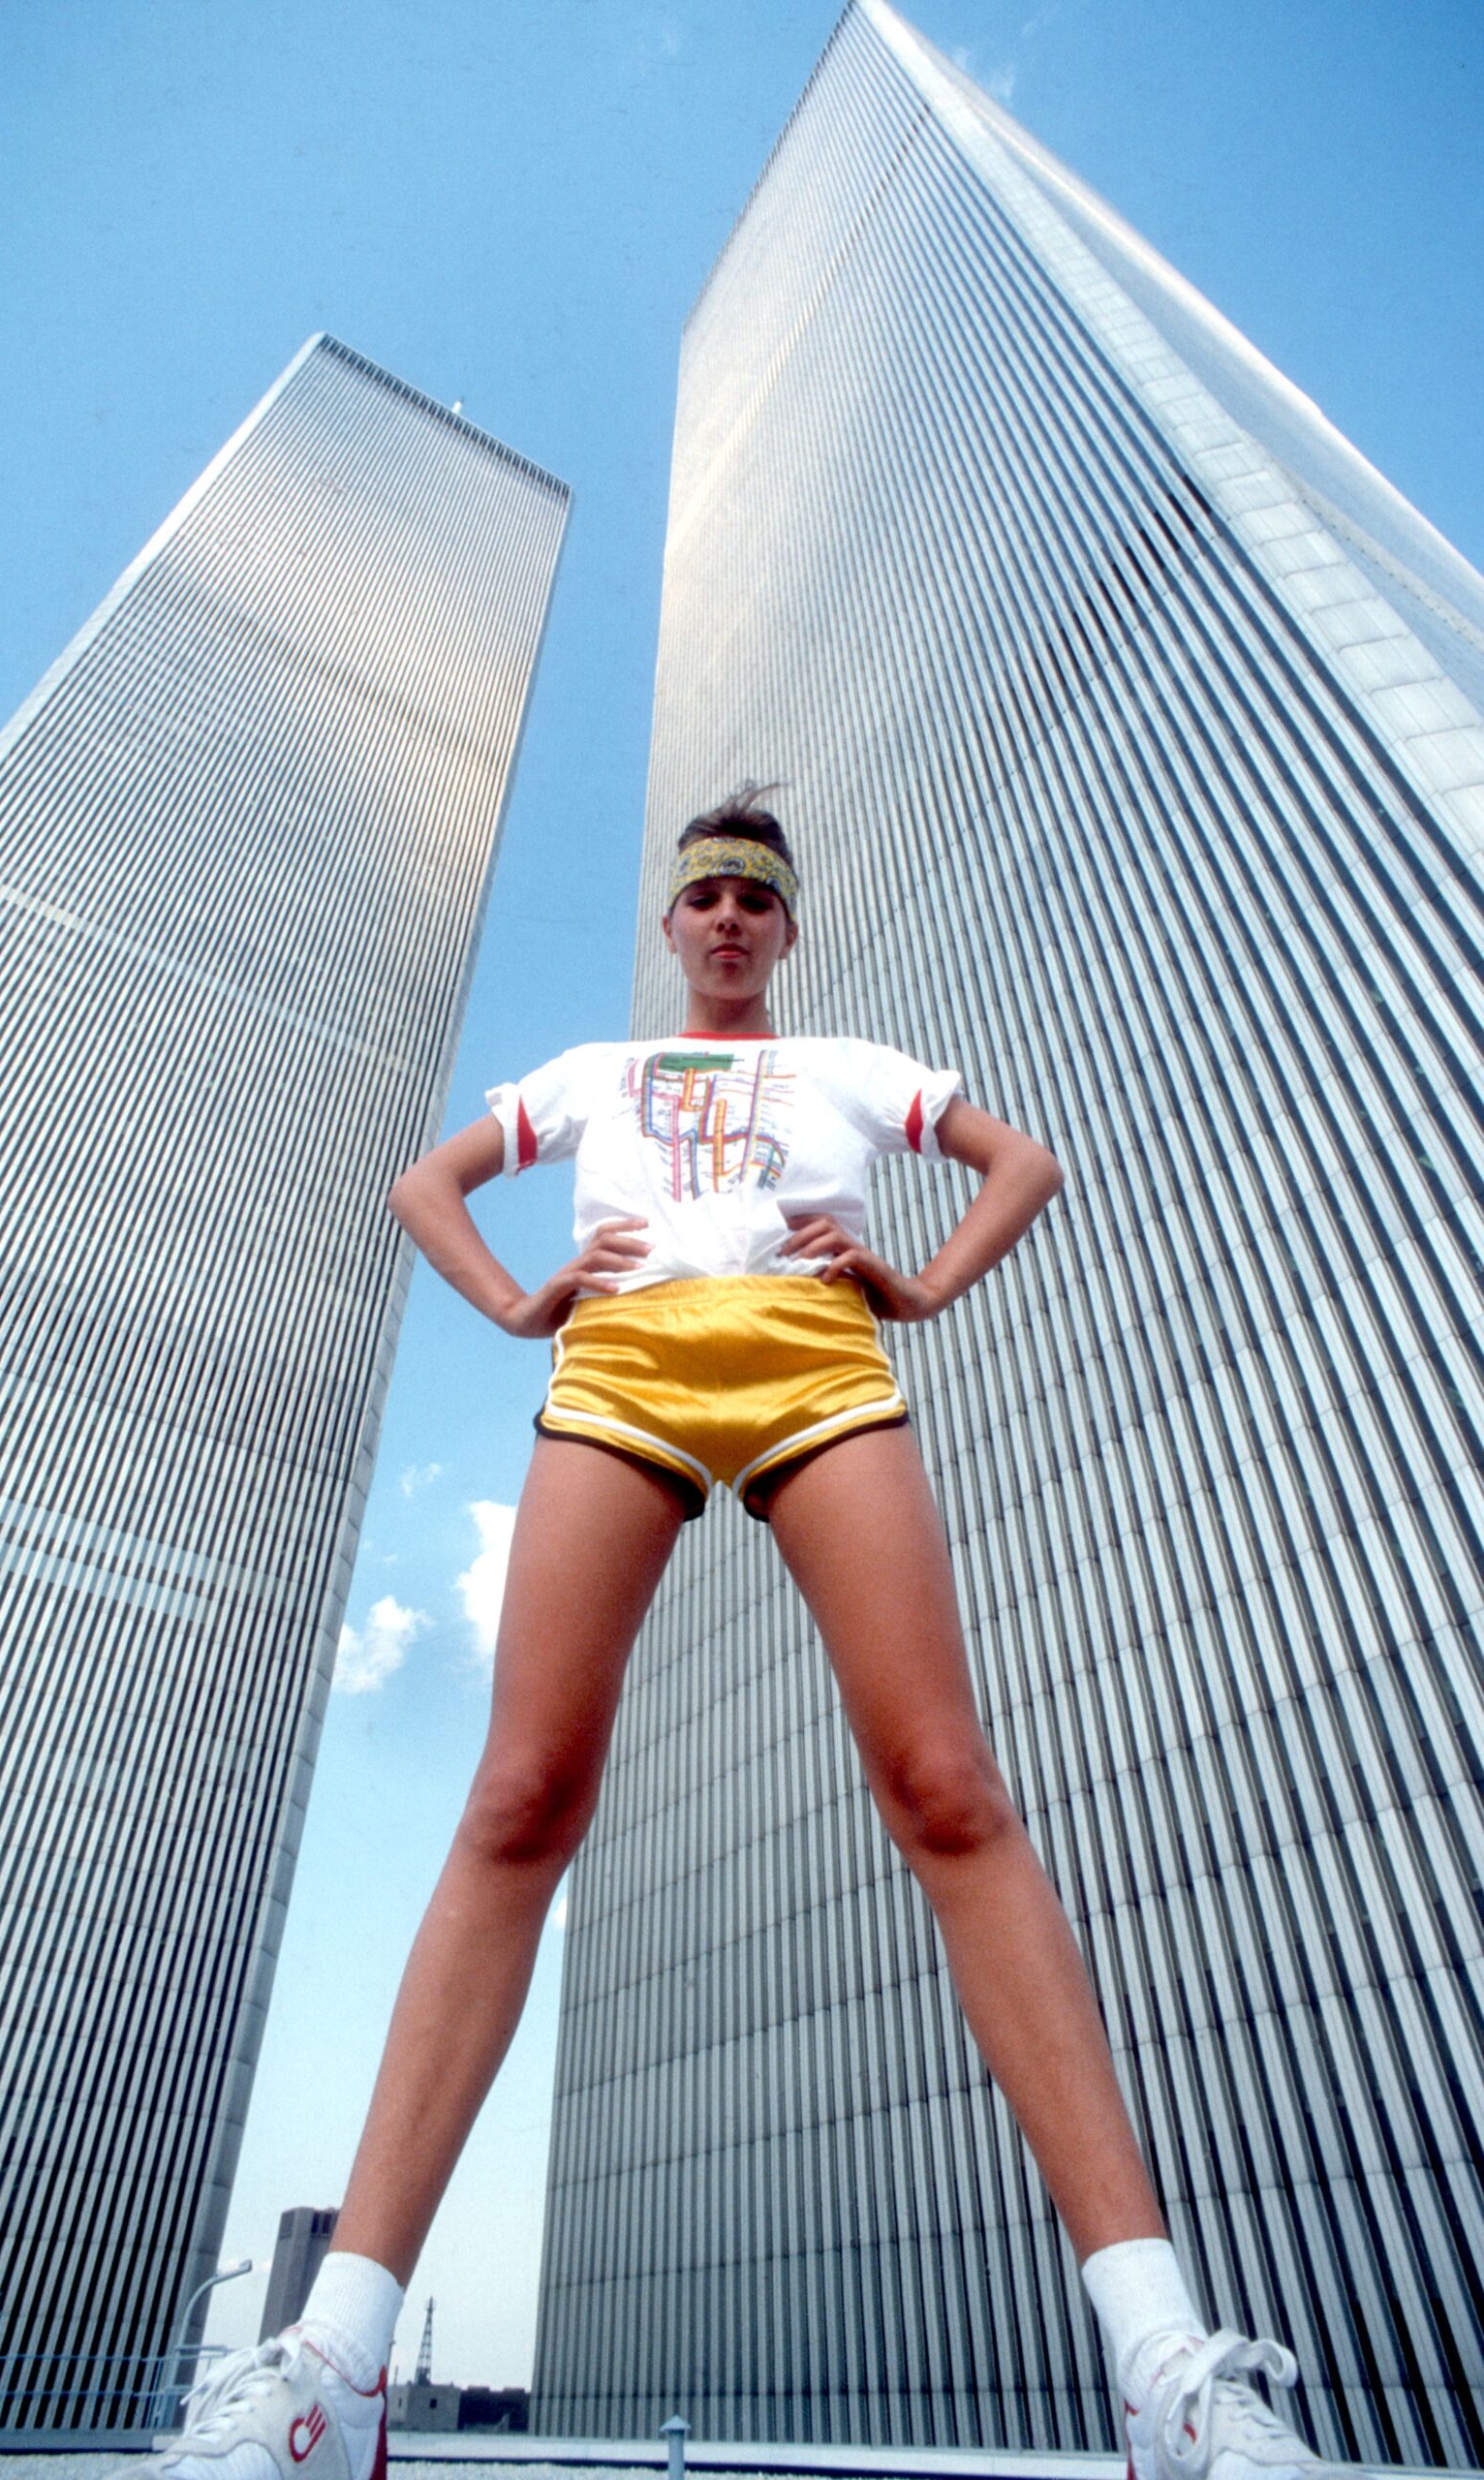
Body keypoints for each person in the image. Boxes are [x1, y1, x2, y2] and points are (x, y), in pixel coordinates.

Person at [130, 790, 1347, 2480]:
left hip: (814, 1365)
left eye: (750, 901)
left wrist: (921, 1282)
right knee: (520, 1798)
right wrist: (513, 1299)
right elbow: (427, 1182)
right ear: (671, 924)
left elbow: (1023, 1161)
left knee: (944, 1785)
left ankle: (1164, 2368)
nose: (722, 920)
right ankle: (331, 2373)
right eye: (700, 896)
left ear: (783, 929)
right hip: (621, 1368)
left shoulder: (846, 1061)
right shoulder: (586, 1074)